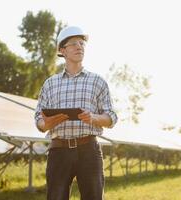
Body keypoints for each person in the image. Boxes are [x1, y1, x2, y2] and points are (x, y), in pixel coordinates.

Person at [34, 26, 118, 200]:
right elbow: (38, 120)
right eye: (73, 44)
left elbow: (111, 117)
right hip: (59, 151)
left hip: (89, 150)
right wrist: (46, 124)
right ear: (62, 50)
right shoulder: (50, 83)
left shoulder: (98, 81)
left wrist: (94, 118)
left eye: (82, 43)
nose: (79, 46)